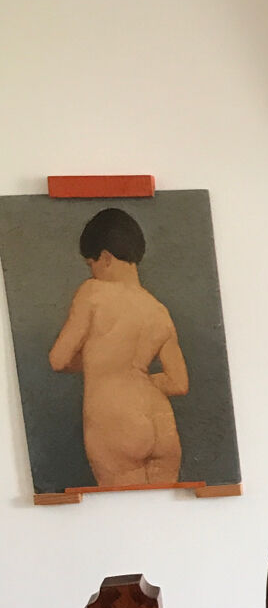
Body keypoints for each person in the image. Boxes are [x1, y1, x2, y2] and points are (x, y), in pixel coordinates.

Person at [48, 207, 188, 487]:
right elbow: (179, 383)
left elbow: (58, 359)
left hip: (116, 425)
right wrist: (139, 379)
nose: (92, 271)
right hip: (163, 428)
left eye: (91, 264)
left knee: (121, 519)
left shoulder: (92, 293)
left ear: (106, 258)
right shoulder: (159, 310)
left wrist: (100, 363)